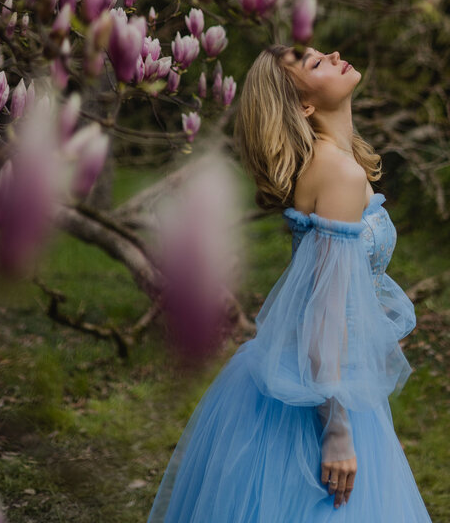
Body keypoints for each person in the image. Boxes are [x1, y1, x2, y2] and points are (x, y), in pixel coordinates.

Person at [147, 45, 433, 522]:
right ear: (303, 105)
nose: (335, 53)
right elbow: (322, 312)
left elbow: (330, 283)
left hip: (320, 369)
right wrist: (337, 430)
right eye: (318, 63)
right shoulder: (337, 171)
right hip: (320, 391)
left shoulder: (335, 161)